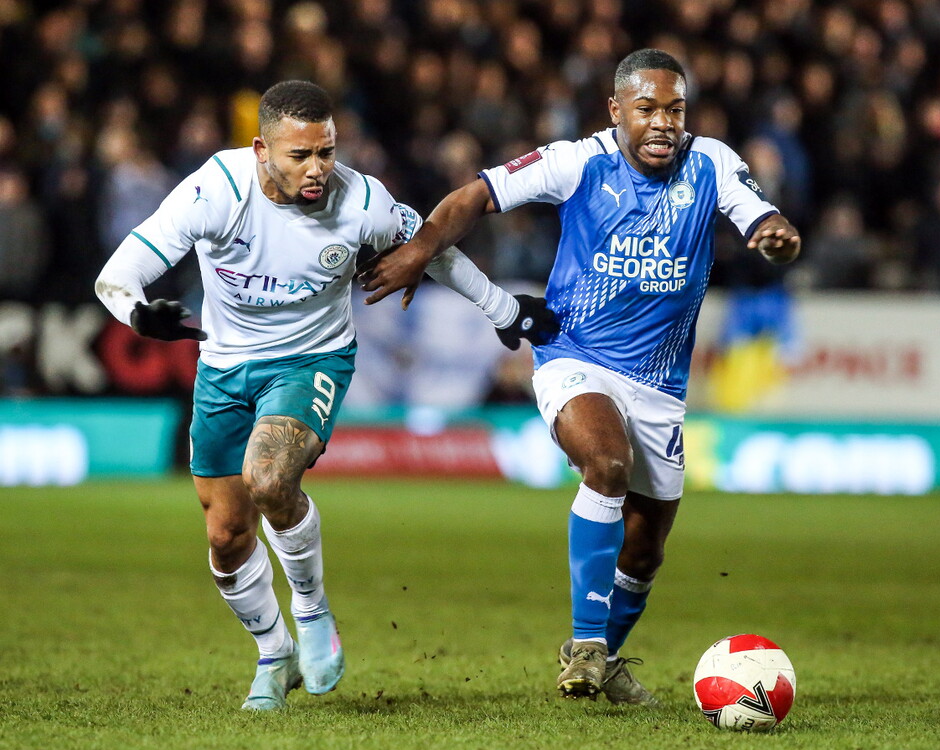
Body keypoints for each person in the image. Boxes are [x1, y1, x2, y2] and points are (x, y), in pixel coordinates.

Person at [94, 80, 556, 711]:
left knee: (268, 477)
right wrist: (138, 314)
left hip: (312, 360)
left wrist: (502, 308)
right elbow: (118, 275)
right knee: (227, 538)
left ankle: (312, 611)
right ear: (261, 150)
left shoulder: (362, 201)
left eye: (327, 152)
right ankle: (273, 653)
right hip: (224, 368)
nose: (317, 170)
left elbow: (430, 247)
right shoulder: (214, 191)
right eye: (299, 156)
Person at [360, 49, 800, 703]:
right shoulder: (577, 160)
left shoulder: (712, 162)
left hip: (659, 383)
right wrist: (422, 249)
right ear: (616, 109)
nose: (662, 124)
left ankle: (610, 658)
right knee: (607, 463)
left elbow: (757, 212)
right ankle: (586, 646)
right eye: (647, 108)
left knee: (645, 548)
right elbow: (477, 194)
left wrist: (773, 232)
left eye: (674, 109)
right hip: (574, 355)